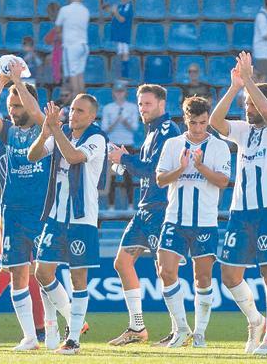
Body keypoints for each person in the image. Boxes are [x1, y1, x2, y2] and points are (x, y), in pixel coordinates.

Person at [209, 52, 267, 355]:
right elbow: (215, 121)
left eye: (250, 104)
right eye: (245, 105)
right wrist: (235, 88)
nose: (247, 109)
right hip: (239, 213)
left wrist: (250, 82)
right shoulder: (244, 132)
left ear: (263, 104)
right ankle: (255, 321)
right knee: (229, 275)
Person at [0, 61, 51, 351]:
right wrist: (1, 82)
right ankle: (31, 337)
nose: (12, 109)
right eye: (10, 104)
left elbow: (36, 113)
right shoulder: (7, 132)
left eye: (17, 104)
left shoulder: (44, 129)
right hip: (14, 212)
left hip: (43, 211)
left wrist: (19, 83)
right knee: (19, 273)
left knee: (46, 272)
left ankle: (64, 324)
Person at [28, 95, 108, 355]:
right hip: (55, 216)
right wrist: (44, 133)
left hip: (81, 218)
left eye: (80, 111)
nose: (73, 114)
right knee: (42, 272)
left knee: (78, 278)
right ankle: (72, 320)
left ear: (92, 116)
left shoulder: (96, 138)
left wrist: (55, 131)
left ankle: (73, 339)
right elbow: (33, 156)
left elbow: (73, 157)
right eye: (72, 109)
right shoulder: (62, 134)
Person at [104, 84, 179, 346]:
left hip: (160, 208)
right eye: (140, 104)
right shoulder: (151, 132)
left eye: (147, 104)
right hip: (145, 209)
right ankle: (137, 328)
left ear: (161, 104)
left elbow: (156, 172)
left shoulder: (168, 130)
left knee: (166, 271)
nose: (142, 109)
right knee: (122, 262)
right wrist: (126, 157)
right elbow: (146, 167)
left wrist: (124, 160)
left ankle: (179, 329)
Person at [154, 96, 230, 348]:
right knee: (165, 271)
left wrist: (200, 166)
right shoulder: (173, 144)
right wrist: (182, 168)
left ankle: (200, 332)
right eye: (194, 123)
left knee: (203, 278)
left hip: (205, 222)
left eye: (203, 123)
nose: (199, 129)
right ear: (185, 120)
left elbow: (222, 181)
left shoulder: (218, 146)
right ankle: (182, 329)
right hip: (175, 219)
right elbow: (160, 180)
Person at [101, 82, 140, 207]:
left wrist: (123, 121)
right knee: (112, 177)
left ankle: (130, 205)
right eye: (117, 91)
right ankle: (111, 206)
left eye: (121, 91)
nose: (119, 94)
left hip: (127, 144)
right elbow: (105, 129)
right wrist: (117, 120)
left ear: (125, 93)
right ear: (113, 93)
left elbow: (134, 128)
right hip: (113, 145)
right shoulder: (108, 108)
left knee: (128, 176)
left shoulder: (132, 107)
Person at [55, 0, 91, 96]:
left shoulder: (65, 10)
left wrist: (63, 35)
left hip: (71, 46)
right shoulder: (86, 11)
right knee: (80, 75)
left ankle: (76, 101)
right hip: (84, 45)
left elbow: (57, 28)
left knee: (73, 75)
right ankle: (83, 100)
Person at [108, 0, 134, 81]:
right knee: (119, 54)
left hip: (124, 35)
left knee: (125, 53)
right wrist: (110, 10)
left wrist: (115, 12)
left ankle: (125, 75)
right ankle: (119, 75)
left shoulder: (128, 6)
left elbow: (122, 19)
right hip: (117, 34)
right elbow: (113, 17)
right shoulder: (119, 6)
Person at [43, 2, 63, 88]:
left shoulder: (63, 25)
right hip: (58, 50)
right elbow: (47, 40)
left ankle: (54, 83)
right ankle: (51, 84)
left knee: (51, 58)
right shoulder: (57, 26)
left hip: (65, 51)